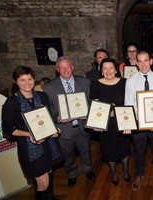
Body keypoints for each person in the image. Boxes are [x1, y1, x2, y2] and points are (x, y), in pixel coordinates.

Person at [2, 66, 64, 200]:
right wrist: (29, 134)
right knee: (43, 183)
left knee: (49, 171)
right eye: (22, 80)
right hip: (30, 148)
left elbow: (48, 118)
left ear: (34, 79)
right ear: (15, 82)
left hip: (48, 143)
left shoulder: (42, 96)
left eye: (29, 79)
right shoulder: (11, 103)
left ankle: (51, 197)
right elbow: (8, 129)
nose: (27, 83)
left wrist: (55, 128)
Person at [44, 57, 95, 188]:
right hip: (64, 128)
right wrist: (58, 118)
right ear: (57, 70)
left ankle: (88, 170)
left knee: (85, 151)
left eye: (68, 67)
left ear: (72, 67)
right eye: (62, 67)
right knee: (68, 155)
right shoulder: (49, 87)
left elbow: (90, 101)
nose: (65, 70)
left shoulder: (84, 82)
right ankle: (72, 174)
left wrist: (88, 113)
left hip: (82, 126)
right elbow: (48, 108)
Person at [125, 51, 153, 191]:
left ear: (151, 61)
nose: (143, 64)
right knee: (139, 151)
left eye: (145, 60)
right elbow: (128, 105)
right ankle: (139, 174)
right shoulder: (130, 81)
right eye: (140, 61)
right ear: (136, 63)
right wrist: (130, 124)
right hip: (138, 124)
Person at [89, 58, 131, 186]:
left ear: (116, 70)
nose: (108, 71)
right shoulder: (95, 84)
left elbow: (130, 102)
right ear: (101, 71)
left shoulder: (125, 82)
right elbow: (95, 106)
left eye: (111, 68)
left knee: (124, 148)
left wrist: (116, 110)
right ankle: (113, 172)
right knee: (108, 150)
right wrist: (98, 122)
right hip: (105, 125)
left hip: (122, 122)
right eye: (105, 68)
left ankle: (125, 169)